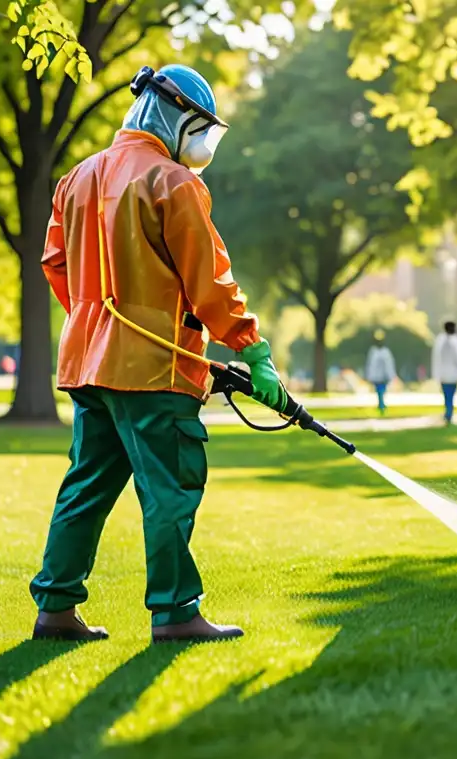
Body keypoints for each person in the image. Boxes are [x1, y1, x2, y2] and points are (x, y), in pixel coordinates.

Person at [30, 65, 287, 644]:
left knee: (86, 485)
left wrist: (93, 322)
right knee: (170, 486)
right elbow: (210, 282)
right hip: (153, 370)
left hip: (87, 365)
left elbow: (55, 263)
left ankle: (55, 608)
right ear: (175, 117)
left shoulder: (76, 178)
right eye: (198, 129)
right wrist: (253, 348)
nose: (200, 146)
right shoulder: (173, 183)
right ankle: (175, 613)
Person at [432, 320, 457, 425]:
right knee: (450, 394)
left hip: (443, 373)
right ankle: (449, 413)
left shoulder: (440, 340)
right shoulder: (455, 341)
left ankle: (448, 412)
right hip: (453, 373)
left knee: (447, 395)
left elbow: (436, 357)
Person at [364, 329, 396, 414]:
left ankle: (381, 404)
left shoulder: (386, 352)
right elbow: (370, 364)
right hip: (376, 376)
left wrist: (389, 375)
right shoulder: (373, 351)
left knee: (382, 390)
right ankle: (381, 404)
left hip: (384, 376)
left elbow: (389, 364)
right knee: (379, 390)